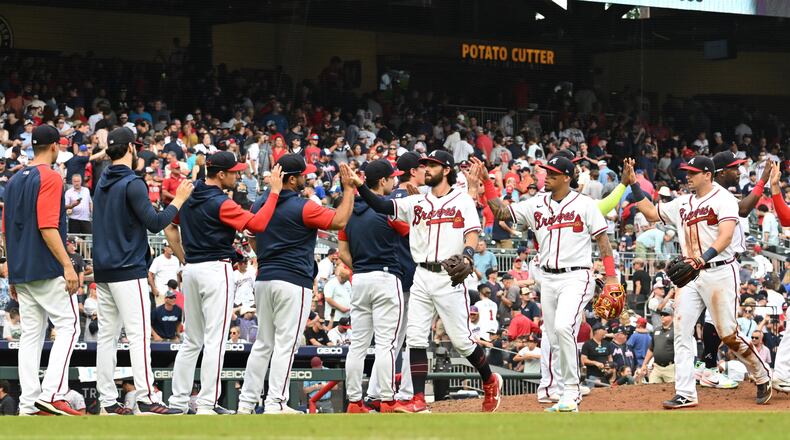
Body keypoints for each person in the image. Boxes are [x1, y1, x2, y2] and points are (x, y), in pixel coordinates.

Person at [354, 150, 503, 413]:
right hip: (421, 274)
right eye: (424, 165)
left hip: (449, 275)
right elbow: (381, 206)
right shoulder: (417, 202)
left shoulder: (462, 200)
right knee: (416, 340)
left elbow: (472, 233)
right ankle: (419, 399)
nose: (426, 169)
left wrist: (467, 256)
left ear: (446, 170)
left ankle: (490, 380)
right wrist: (359, 186)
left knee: (462, 341)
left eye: (431, 165)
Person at [631, 155, 772, 409]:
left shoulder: (724, 199)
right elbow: (651, 212)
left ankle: (762, 376)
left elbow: (726, 236)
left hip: (719, 271)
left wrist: (701, 259)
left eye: (693, 172)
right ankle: (685, 392)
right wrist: (633, 185)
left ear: (708, 174)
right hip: (691, 275)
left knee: (728, 334)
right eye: (687, 171)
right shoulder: (682, 202)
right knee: (681, 330)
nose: (688, 176)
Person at [483, 155, 615, 413]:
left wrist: (610, 277)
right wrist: (486, 185)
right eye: (546, 172)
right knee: (553, 336)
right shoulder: (536, 204)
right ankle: (555, 388)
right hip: (548, 278)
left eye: (553, 173)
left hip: (577, 275)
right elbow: (501, 211)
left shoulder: (585, 204)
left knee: (565, 327)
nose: (547, 176)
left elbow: (603, 241)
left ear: (567, 177)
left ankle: (571, 391)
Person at [166, 152, 284, 415]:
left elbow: (169, 228)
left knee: (191, 340)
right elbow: (259, 224)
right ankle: (207, 402)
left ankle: (178, 401)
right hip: (214, 269)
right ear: (220, 174)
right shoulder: (221, 202)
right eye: (233, 171)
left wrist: (183, 257)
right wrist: (274, 192)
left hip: (193, 269)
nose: (237, 175)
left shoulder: (190, 192)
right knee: (215, 340)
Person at [237, 154, 355, 415]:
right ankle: (275, 403)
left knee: (263, 344)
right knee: (286, 344)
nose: (306, 177)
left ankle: (246, 403)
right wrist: (348, 189)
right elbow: (340, 220)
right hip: (292, 281)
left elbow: (252, 240)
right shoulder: (304, 206)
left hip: (265, 278)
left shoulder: (260, 203)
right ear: (292, 179)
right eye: (303, 174)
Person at [92, 127, 193, 415]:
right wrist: (179, 199)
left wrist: (104, 153)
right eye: (134, 146)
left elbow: (97, 161)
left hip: (104, 270)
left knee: (107, 337)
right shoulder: (132, 182)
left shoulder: (102, 181)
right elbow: (155, 221)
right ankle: (147, 396)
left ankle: (108, 401)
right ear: (130, 149)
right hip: (127, 268)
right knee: (137, 335)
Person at [4, 125, 81, 415]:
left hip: (22, 269)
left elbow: (5, 229)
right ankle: (52, 392)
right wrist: (67, 265)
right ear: (53, 147)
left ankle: (28, 404)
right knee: (69, 326)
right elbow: (47, 226)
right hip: (45, 267)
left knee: (31, 335)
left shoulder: (13, 180)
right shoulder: (50, 176)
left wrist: (11, 270)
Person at [336, 160, 408, 413]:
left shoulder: (349, 209)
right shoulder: (388, 209)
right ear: (382, 181)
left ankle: (354, 402)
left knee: (358, 345)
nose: (395, 181)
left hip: (361, 279)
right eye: (392, 178)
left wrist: (360, 266)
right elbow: (409, 231)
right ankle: (387, 399)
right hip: (386, 277)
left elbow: (342, 251)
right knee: (386, 344)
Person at [639, 306, 675, 384]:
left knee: (671, 391)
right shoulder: (656, 330)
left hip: (671, 367)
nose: (662, 316)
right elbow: (651, 349)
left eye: (665, 315)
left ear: (672, 316)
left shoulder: (676, 331)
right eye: (661, 314)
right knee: (652, 389)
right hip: (657, 367)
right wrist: (644, 364)